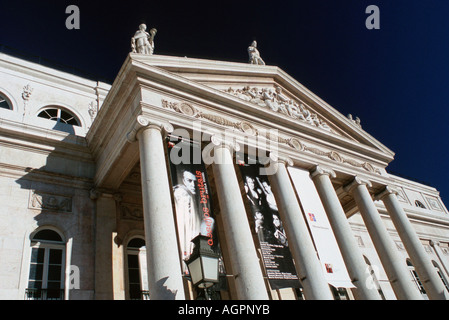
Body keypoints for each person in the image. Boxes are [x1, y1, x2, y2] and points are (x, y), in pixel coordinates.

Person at [173, 170, 202, 264]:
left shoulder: (194, 197)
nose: (193, 185)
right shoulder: (180, 192)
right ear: (183, 180)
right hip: (186, 240)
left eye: (195, 182)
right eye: (189, 181)